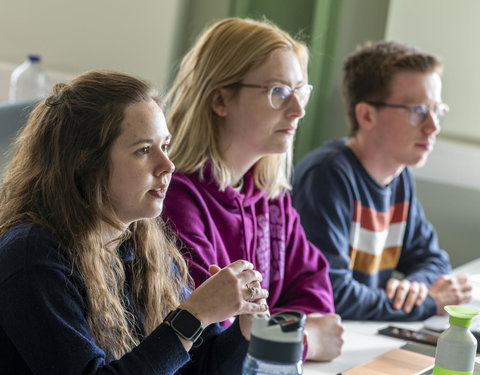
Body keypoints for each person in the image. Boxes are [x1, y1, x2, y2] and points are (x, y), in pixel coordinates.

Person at [0, 70, 270, 374]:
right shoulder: (32, 257)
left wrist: (245, 330)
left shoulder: (141, 243)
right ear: (87, 164)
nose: (167, 165)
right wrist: (194, 315)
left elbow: (198, 368)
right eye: (143, 150)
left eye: (165, 146)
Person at [162, 17, 343, 362]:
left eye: (300, 90)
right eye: (279, 92)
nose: (298, 109)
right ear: (220, 101)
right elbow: (214, 336)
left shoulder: (270, 196)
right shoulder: (175, 200)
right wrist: (303, 341)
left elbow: (315, 295)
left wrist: (273, 332)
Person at [292, 41, 472, 321]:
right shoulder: (326, 176)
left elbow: (434, 260)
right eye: (417, 110)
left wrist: (416, 288)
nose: (432, 126)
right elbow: (333, 293)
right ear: (366, 115)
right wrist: (426, 303)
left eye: (436, 110)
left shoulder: (400, 176)